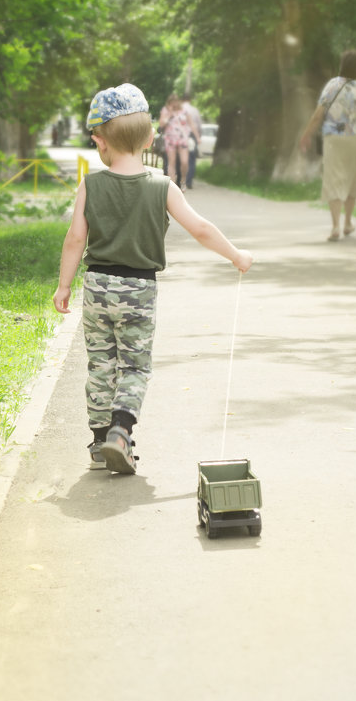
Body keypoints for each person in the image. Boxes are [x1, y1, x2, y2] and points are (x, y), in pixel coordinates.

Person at [52, 83, 253, 475]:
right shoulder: (161, 185)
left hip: (97, 286)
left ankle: (98, 441)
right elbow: (200, 229)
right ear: (149, 137)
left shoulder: (90, 186)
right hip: (139, 289)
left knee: (100, 364)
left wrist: (63, 286)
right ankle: (121, 432)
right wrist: (236, 255)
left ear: (100, 142)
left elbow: (75, 238)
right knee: (134, 366)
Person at [300, 49, 356, 241]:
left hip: (333, 139)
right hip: (354, 140)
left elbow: (318, 115)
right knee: (351, 177)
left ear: (342, 64)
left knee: (333, 179)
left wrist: (306, 135)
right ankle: (348, 223)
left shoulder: (331, 86)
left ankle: (335, 226)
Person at [159, 93, 200, 191]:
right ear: (169, 103)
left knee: (184, 161)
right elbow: (161, 124)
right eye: (172, 103)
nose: (174, 105)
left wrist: (197, 137)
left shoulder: (184, 111)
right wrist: (169, 115)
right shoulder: (165, 111)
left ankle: (183, 181)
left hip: (182, 138)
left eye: (175, 103)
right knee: (171, 162)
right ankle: (172, 185)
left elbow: (192, 124)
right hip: (170, 139)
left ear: (178, 102)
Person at [182, 92, 202, 189]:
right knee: (191, 159)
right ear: (190, 100)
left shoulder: (178, 110)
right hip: (192, 136)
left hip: (180, 135)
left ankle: (179, 181)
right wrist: (198, 137)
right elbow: (198, 124)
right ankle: (188, 182)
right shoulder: (195, 110)